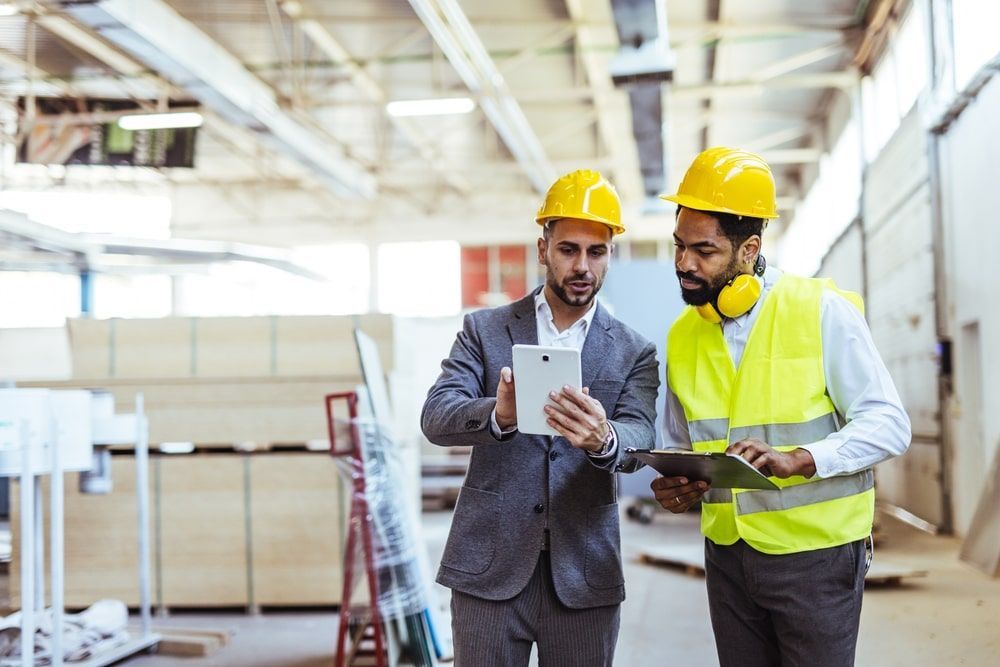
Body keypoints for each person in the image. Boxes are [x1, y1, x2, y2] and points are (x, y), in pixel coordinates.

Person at [653, 147, 911, 667]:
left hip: (817, 558)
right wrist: (676, 486)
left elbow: (889, 423)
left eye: (703, 250)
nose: (684, 263)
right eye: (679, 245)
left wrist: (802, 458)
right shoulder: (683, 336)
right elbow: (680, 446)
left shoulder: (820, 310)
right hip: (727, 557)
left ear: (749, 249)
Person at [421, 169, 659, 666]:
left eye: (597, 252)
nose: (583, 266)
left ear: (610, 255)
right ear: (542, 249)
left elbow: (640, 437)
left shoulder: (634, 350)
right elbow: (437, 416)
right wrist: (499, 415)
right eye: (568, 249)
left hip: (584, 572)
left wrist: (604, 437)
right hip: (489, 570)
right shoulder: (484, 330)